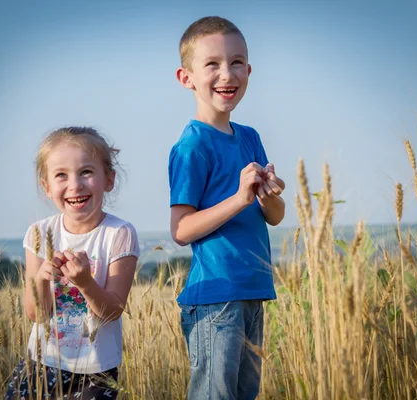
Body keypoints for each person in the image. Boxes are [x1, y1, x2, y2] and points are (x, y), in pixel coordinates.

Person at [168, 16, 286, 400]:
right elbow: (181, 230)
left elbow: (274, 216)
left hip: (253, 290)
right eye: (212, 64)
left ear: (249, 70)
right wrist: (238, 198)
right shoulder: (191, 147)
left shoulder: (250, 137)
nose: (226, 73)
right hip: (215, 298)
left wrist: (268, 196)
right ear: (186, 78)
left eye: (236, 62)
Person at [5, 126, 139, 399]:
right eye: (61, 175)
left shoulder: (119, 234)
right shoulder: (39, 234)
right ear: (47, 187)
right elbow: (36, 314)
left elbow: (112, 310)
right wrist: (42, 279)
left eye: (86, 172)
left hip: (96, 372)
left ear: (109, 179)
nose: (75, 185)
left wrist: (85, 282)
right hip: (42, 365)